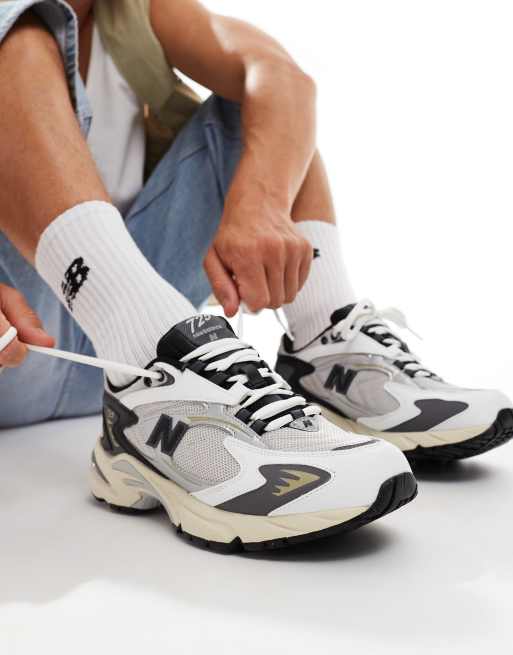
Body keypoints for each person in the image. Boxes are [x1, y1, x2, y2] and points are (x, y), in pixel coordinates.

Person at [0, 0, 510, 551]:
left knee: (264, 105)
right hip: (21, 348)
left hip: (128, 349)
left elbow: (281, 77)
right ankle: (151, 373)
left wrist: (260, 203)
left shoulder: (132, 11)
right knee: (16, 31)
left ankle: (325, 348)